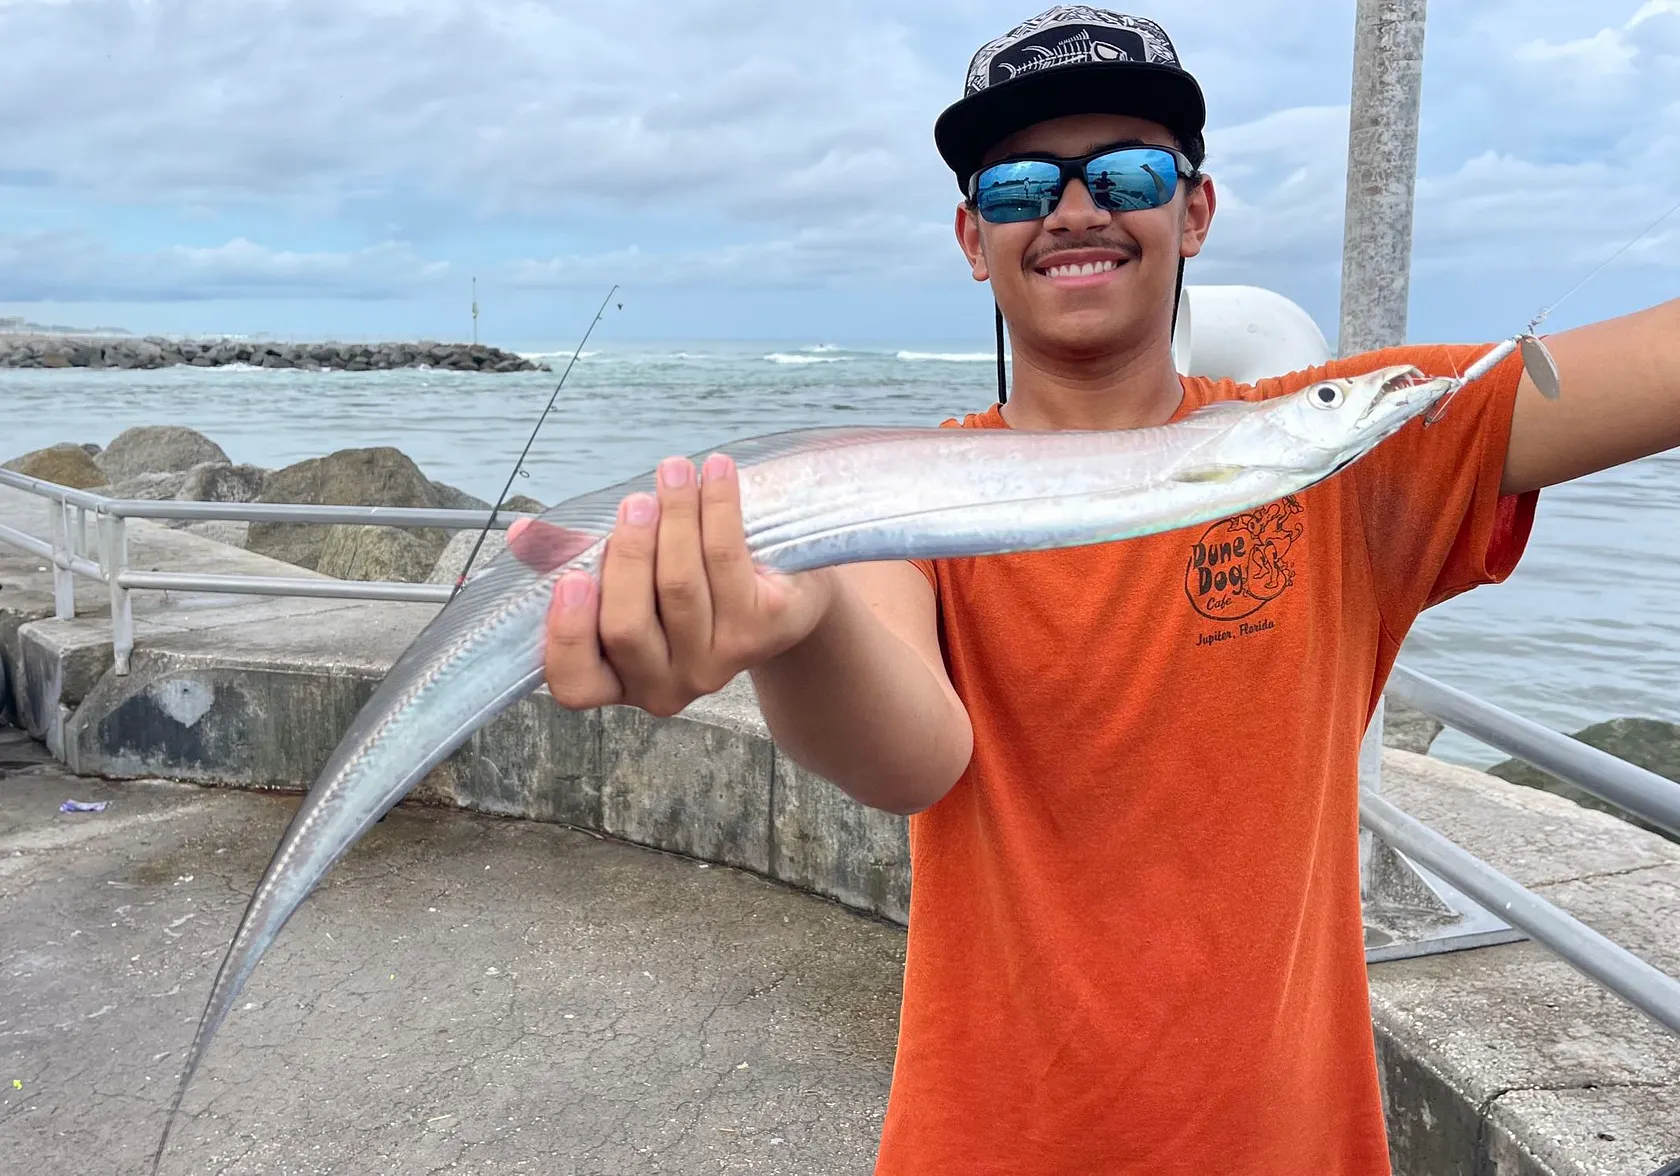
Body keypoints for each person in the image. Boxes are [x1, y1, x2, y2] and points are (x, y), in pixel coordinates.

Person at [533, 8, 1680, 1174]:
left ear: (1193, 210)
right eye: (1023, 186)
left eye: (1127, 171)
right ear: (974, 238)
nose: (1075, 210)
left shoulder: (1340, 442)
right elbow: (912, 758)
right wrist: (797, 622)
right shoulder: (899, 491)